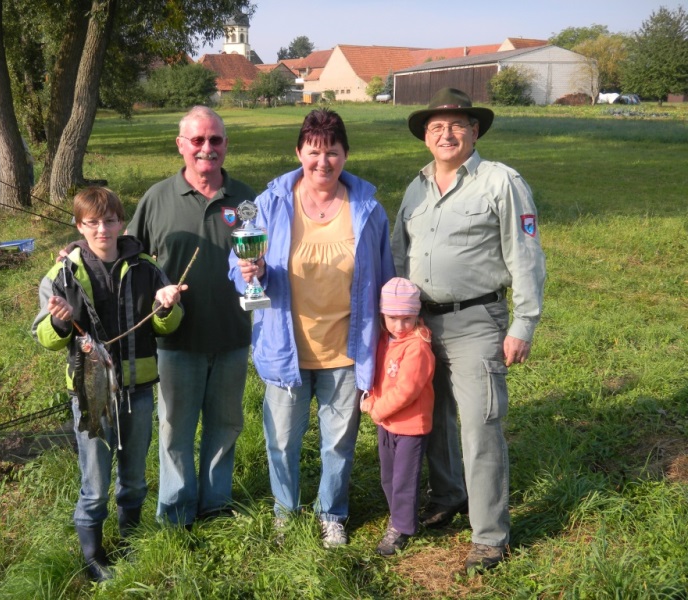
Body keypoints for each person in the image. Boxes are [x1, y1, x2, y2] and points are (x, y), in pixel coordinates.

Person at [391, 88, 546, 571]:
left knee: (481, 426)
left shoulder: (501, 182)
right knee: (430, 419)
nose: (447, 133)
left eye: (457, 124)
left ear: (474, 131)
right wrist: (395, 315)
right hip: (420, 324)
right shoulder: (415, 188)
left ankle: (490, 535)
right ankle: (449, 495)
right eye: (437, 127)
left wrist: (523, 322)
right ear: (425, 138)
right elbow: (400, 252)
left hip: (477, 320)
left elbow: (526, 255)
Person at [229, 108, 395, 547]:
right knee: (281, 440)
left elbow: (385, 274)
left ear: (345, 155)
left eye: (333, 153)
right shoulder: (269, 204)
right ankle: (286, 510)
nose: (323, 162)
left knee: (338, 443)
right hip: (286, 348)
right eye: (314, 151)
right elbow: (238, 265)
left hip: (346, 348)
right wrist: (250, 269)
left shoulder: (368, 209)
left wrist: (393, 331)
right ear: (299, 152)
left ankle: (332, 512)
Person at [32, 186, 185, 581]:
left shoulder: (146, 267)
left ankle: (131, 541)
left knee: (134, 477)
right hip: (90, 395)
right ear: (79, 226)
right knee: (95, 483)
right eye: (93, 223)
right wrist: (61, 320)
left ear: (122, 221)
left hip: (137, 390)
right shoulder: (61, 274)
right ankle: (94, 557)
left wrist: (167, 305)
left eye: (110, 220)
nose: (103, 229)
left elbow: (166, 326)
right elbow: (46, 338)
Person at [126, 106, 255, 528]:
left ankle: (215, 507)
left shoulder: (246, 200)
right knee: (175, 434)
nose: (206, 148)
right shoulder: (157, 198)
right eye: (197, 140)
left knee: (225, 428)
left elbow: (270, 255)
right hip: (175, 342)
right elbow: (126, 255)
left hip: (232, 337)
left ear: (226, 145)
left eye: (214, 140)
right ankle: (177, 515)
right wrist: (77, 250)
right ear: (181, 145)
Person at [360, 277, 435, 556]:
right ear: (383, 315)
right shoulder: (385, 338)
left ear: (417, 315)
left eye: (407, 318)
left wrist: (377, 408)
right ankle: (399, 515)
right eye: (392, 318)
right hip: (387, 423)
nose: (400, 326)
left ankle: (402, 527)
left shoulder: (417, 348)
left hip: (410, 426)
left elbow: (407, 390)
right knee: (388, 475)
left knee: (405, 478)